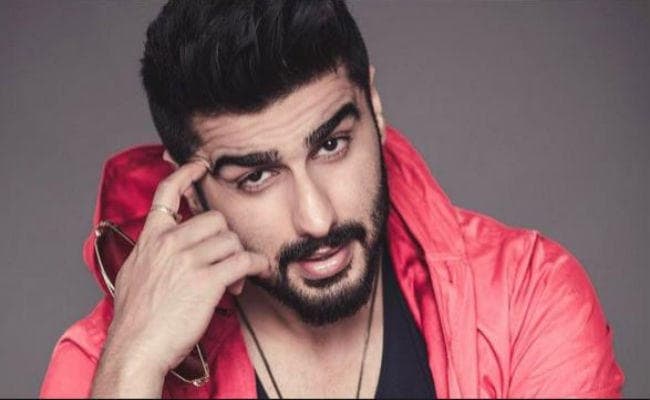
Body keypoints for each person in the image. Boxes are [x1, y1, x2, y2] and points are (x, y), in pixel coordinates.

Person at [40, 1, 624, 398]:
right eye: (257, 177)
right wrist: (130, 371)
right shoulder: (104, 363)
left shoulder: (524, 299)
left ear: (374, 105)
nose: (317, 218)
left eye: (331, 145)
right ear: (190, 189)